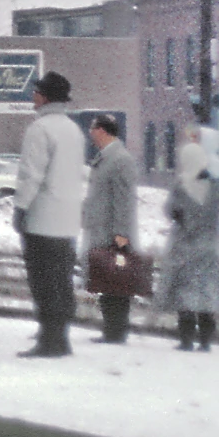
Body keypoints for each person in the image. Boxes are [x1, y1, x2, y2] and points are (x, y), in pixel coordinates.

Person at [13, 71, 86, 357]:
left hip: (42, 217)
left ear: (43, 97)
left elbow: (31, 175)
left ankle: (49, 339)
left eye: (36, 91)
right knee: (62, 280)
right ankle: (61, 336)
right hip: (67, 219)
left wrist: (20, 207)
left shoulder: (40, 129)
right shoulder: (74, 130)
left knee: (43, 281)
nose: (33, 96)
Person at [162, 121, 219, 351]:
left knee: (186, 297)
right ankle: (206, 341)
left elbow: (169, 210)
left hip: (186, 249)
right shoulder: (217, 185)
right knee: (206, 296)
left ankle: (186, 339)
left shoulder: (181, 186)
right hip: (210, 248)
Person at [81, 113, 141, 344]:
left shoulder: (120, 160)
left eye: (93, 128)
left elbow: (124, 199)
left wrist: (121, 233)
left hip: (113, 233)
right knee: (107, 281)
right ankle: (111, 329)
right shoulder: (106, 158)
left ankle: (116, 331)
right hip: (102, 229)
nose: (90, 133)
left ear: (103, 131)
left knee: (117, 282)